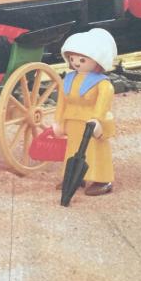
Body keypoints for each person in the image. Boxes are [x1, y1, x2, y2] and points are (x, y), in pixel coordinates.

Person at [53, 28, 118, 196]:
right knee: (73, 149)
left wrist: (97, 119)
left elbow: (103, 103)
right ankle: (75, 176)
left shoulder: (102, 84)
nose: (76, 63)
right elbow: (62, 101)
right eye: (72, 58)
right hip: (72, 121)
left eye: (82, 60)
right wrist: (58, 121)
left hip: (90, 122)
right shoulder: (69, 79)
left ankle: (103, 179)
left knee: (96, 149)